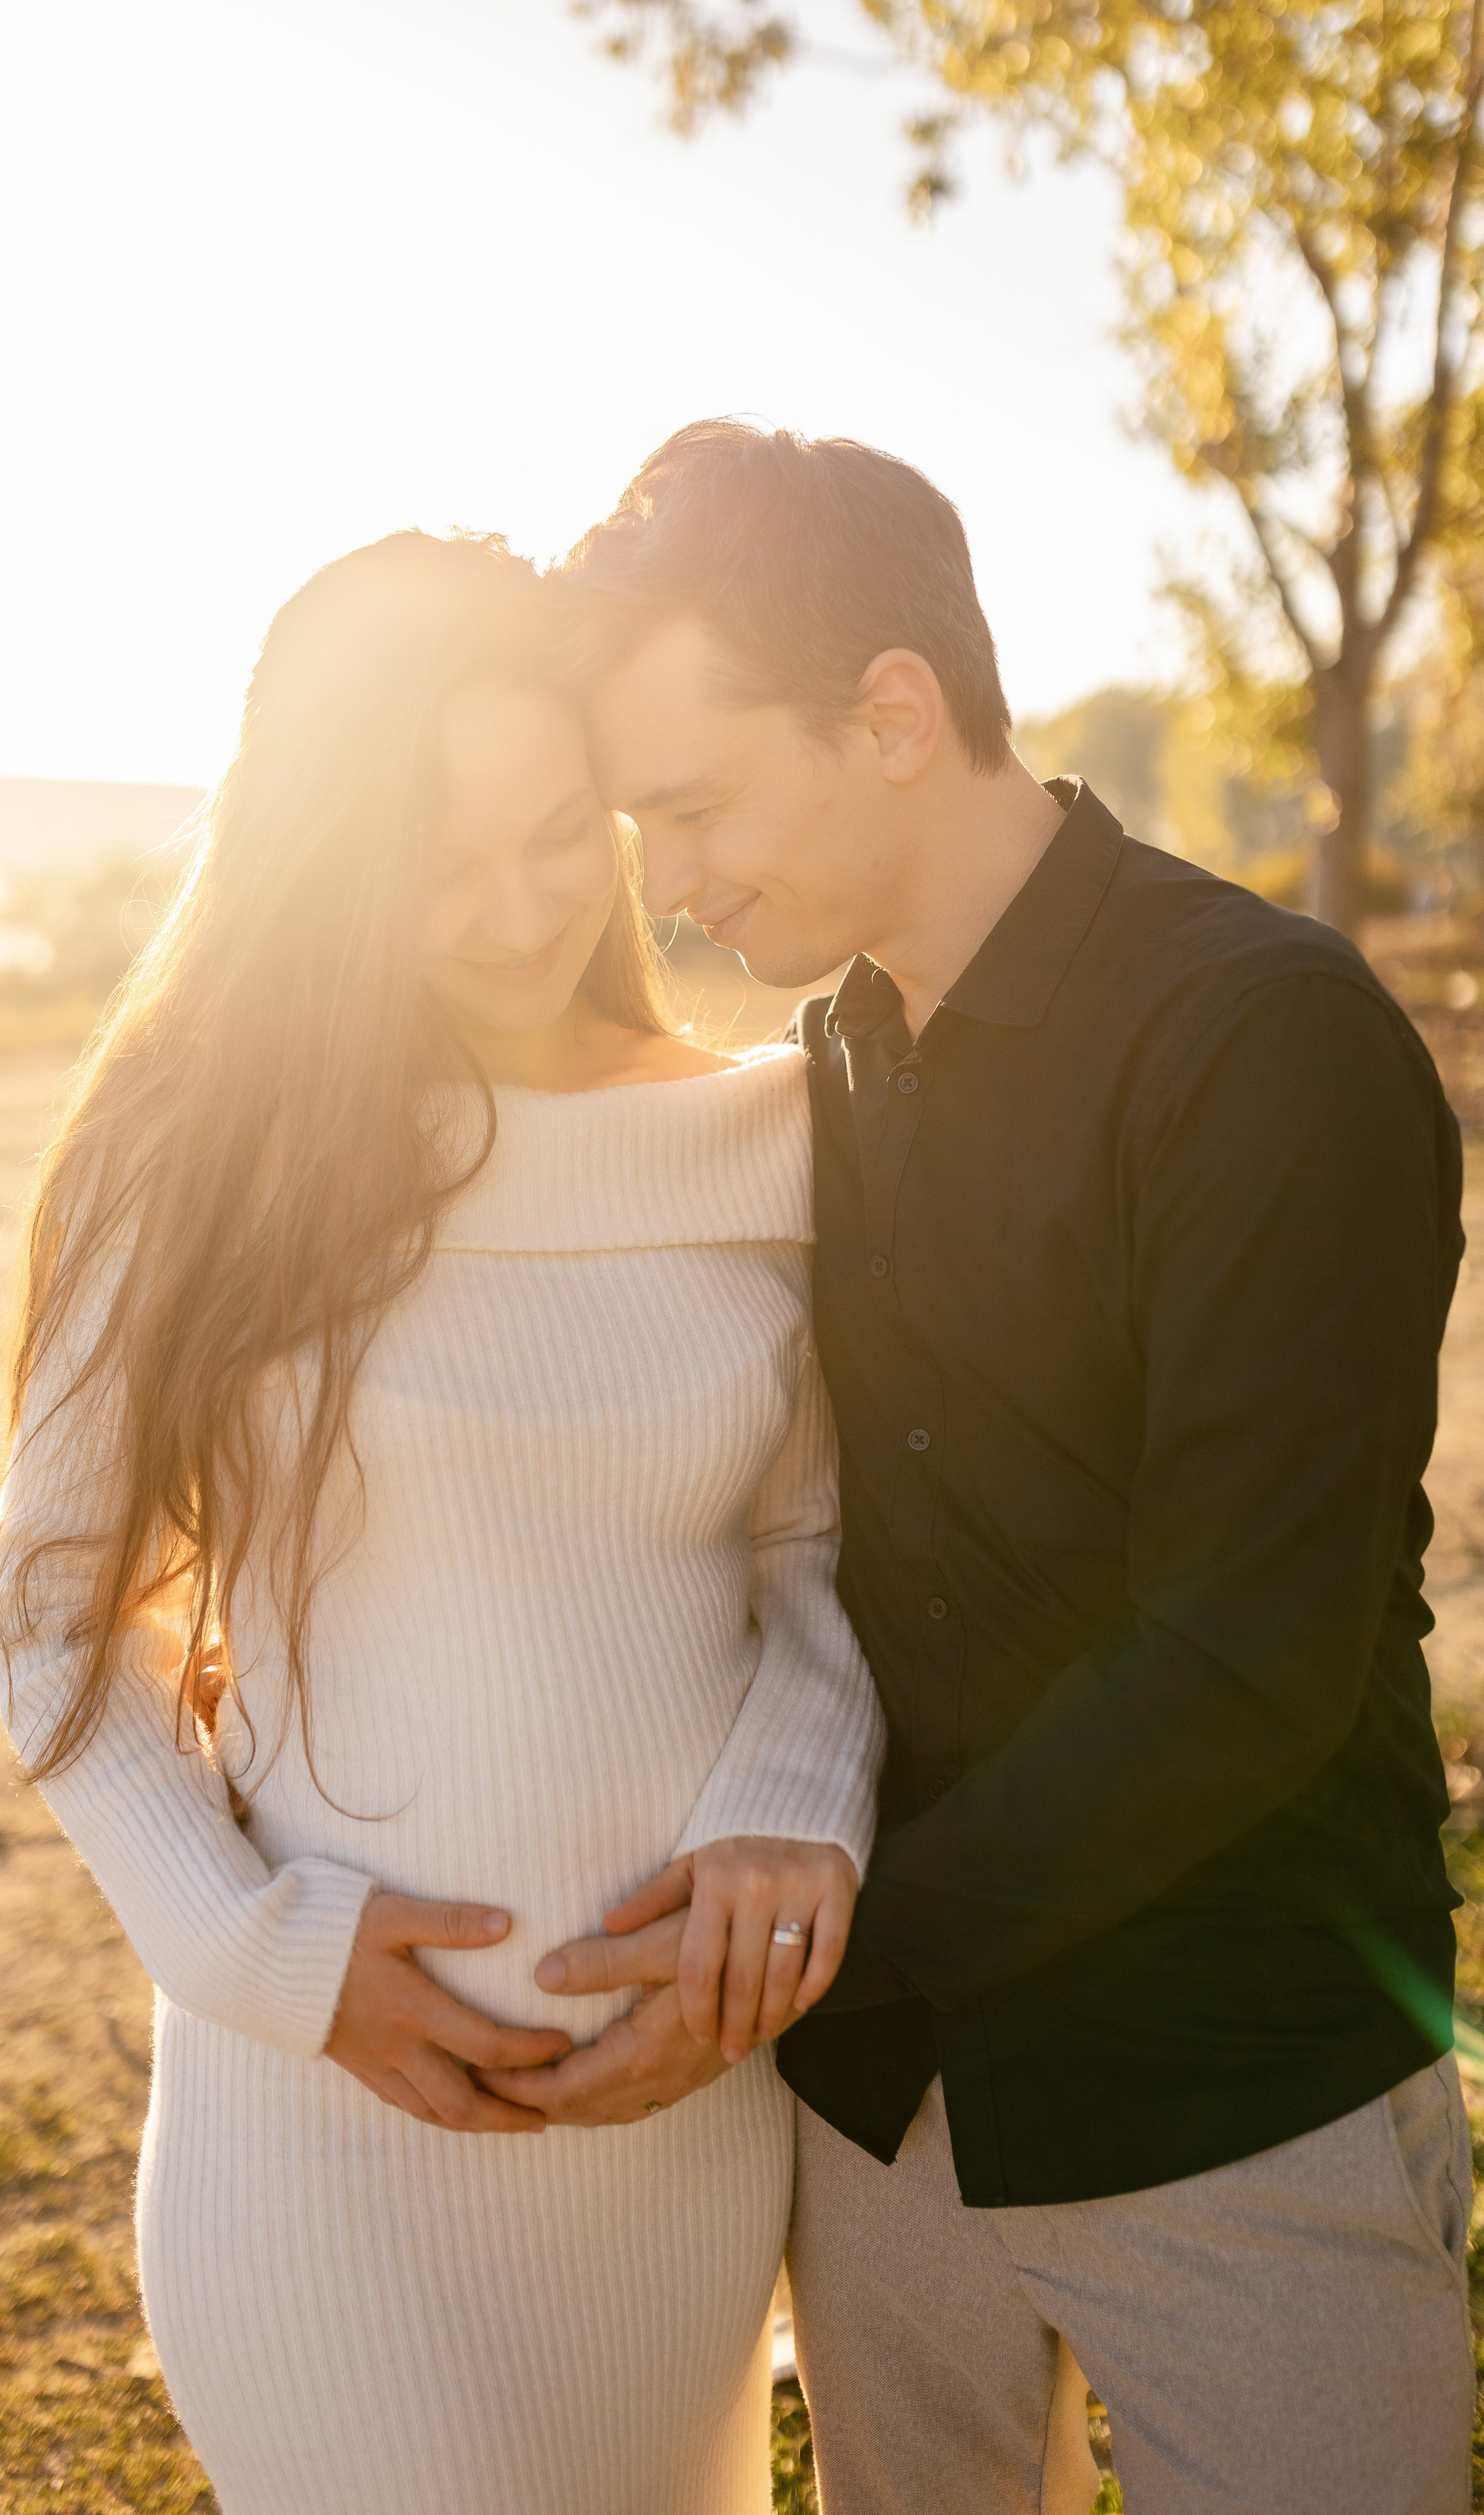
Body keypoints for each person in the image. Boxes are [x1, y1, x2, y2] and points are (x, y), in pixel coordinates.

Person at [546, 420, 1475, 2515]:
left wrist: (823, 1949)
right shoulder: (823, 1063)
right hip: (891, 2117)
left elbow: (1245, 1654)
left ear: (893, 714)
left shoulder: (1264, 1037)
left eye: (693, 806)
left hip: (1238, 2088)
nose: (667, 883)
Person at [0, 529, 884, 2515]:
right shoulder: (197, 1157)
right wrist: (259, 1953)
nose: (521, 910)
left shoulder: (763, 1138)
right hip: (319, 2144)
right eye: (444, 865)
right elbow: (46, 1610)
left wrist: (794, 1812)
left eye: (559, 836)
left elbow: (812, 1558)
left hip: (680, 2124)